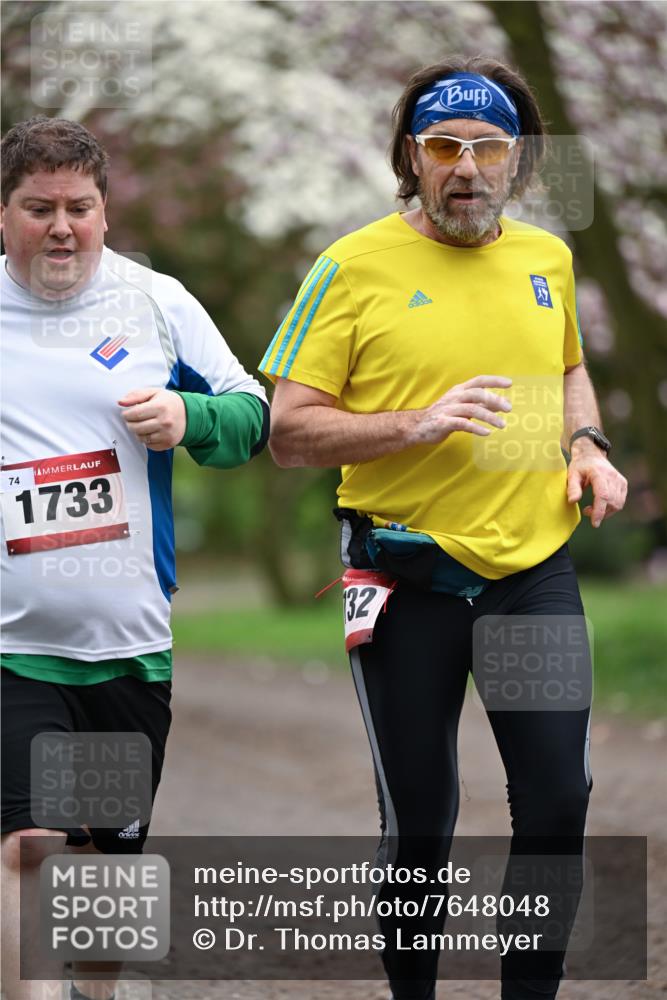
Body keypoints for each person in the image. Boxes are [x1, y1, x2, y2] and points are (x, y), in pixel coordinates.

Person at [260, 56, 627, 1000]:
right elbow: (287, 432)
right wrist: (414, 424)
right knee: (420, 820)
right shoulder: (350, 265)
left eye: (488, 147)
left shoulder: (546, 258)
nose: (466, 166)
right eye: (442, 147)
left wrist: (583, 442)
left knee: (556, 802)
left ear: (520, 164)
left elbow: (566, 367)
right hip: (402, 579)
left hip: (528, 574)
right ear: (410, 157)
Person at [0, 117, 268, 1000]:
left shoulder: (156, 302)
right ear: (5, 215)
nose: (61, 227)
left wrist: (192, 421)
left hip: (128, 642)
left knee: (108, 863)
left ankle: (95, 992)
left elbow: (251, 414)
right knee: (32, 841)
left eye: (79, 207)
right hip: (12, 643)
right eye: (39, 208)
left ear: (105, 212)